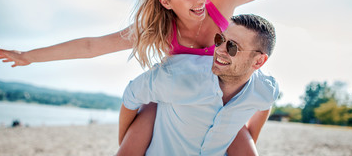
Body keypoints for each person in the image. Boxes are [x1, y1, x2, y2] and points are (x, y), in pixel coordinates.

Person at [0, 0, 352, 155]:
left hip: (221, 107)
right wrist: (29, 57)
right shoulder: (158, 31)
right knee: (149, 111)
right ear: (165, 1)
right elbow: (93, 46)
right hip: (174, 109)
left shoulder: (222, 5)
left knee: (246, 144)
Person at [118, 14, 279, 155]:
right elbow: (131, 95)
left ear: (258, 61)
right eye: (220, 39)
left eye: (232, 47)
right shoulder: (177, 75)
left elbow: (265, 104)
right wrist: (125, 143)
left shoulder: (265, 88)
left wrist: (248, 141)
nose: (220, 50)